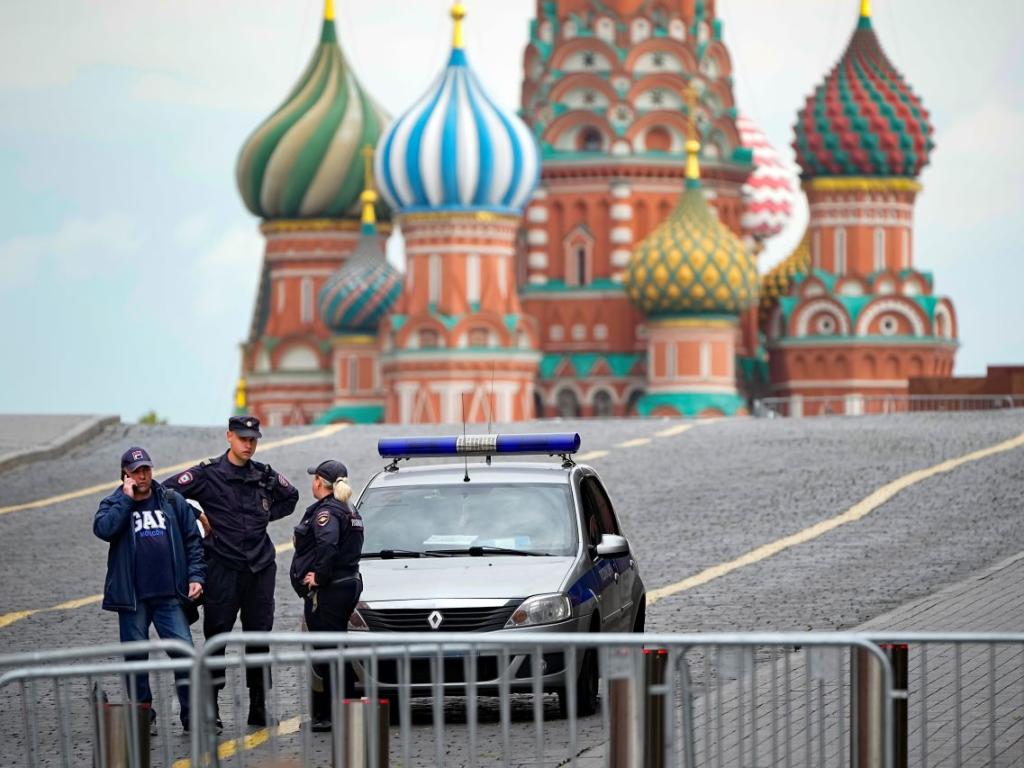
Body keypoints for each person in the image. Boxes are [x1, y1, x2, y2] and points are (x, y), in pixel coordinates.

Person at [164, 415, 299, 727]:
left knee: (259, 636)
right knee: (216, 637)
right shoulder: (207, 474)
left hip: (259, 567)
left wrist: (265, 515)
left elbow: (290, 497)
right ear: (229, 437)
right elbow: (167, 492)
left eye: (252, 439)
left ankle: (258, 705)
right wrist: (198, 516)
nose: (248, 445)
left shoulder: (264, 474)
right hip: (223, 566)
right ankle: (212, 709)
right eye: (242, 439)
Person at [93, 446, 205, 734]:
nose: (143, 475)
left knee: (185, 655)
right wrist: (125, 500)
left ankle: (192, 717)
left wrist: (195, 576)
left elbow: (193, 540)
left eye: (146, 469)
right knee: (135, 660)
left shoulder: (171, 500)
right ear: (125, 475)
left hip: (169, 596)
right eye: (136, 471)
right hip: (132, 599)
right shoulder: (113, 503)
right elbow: (104, 529)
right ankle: (144, 715)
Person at [290, 459, 364, 732]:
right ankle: (344, 712)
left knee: (328, 651)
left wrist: (318, 577)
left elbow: (328, 545)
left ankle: (333, 715)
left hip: (331, 590)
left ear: (320, 482)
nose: (313, 482)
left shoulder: (328, 512)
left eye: (314, 478)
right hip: (347, 583)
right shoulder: (349, 508)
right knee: (337, 648)